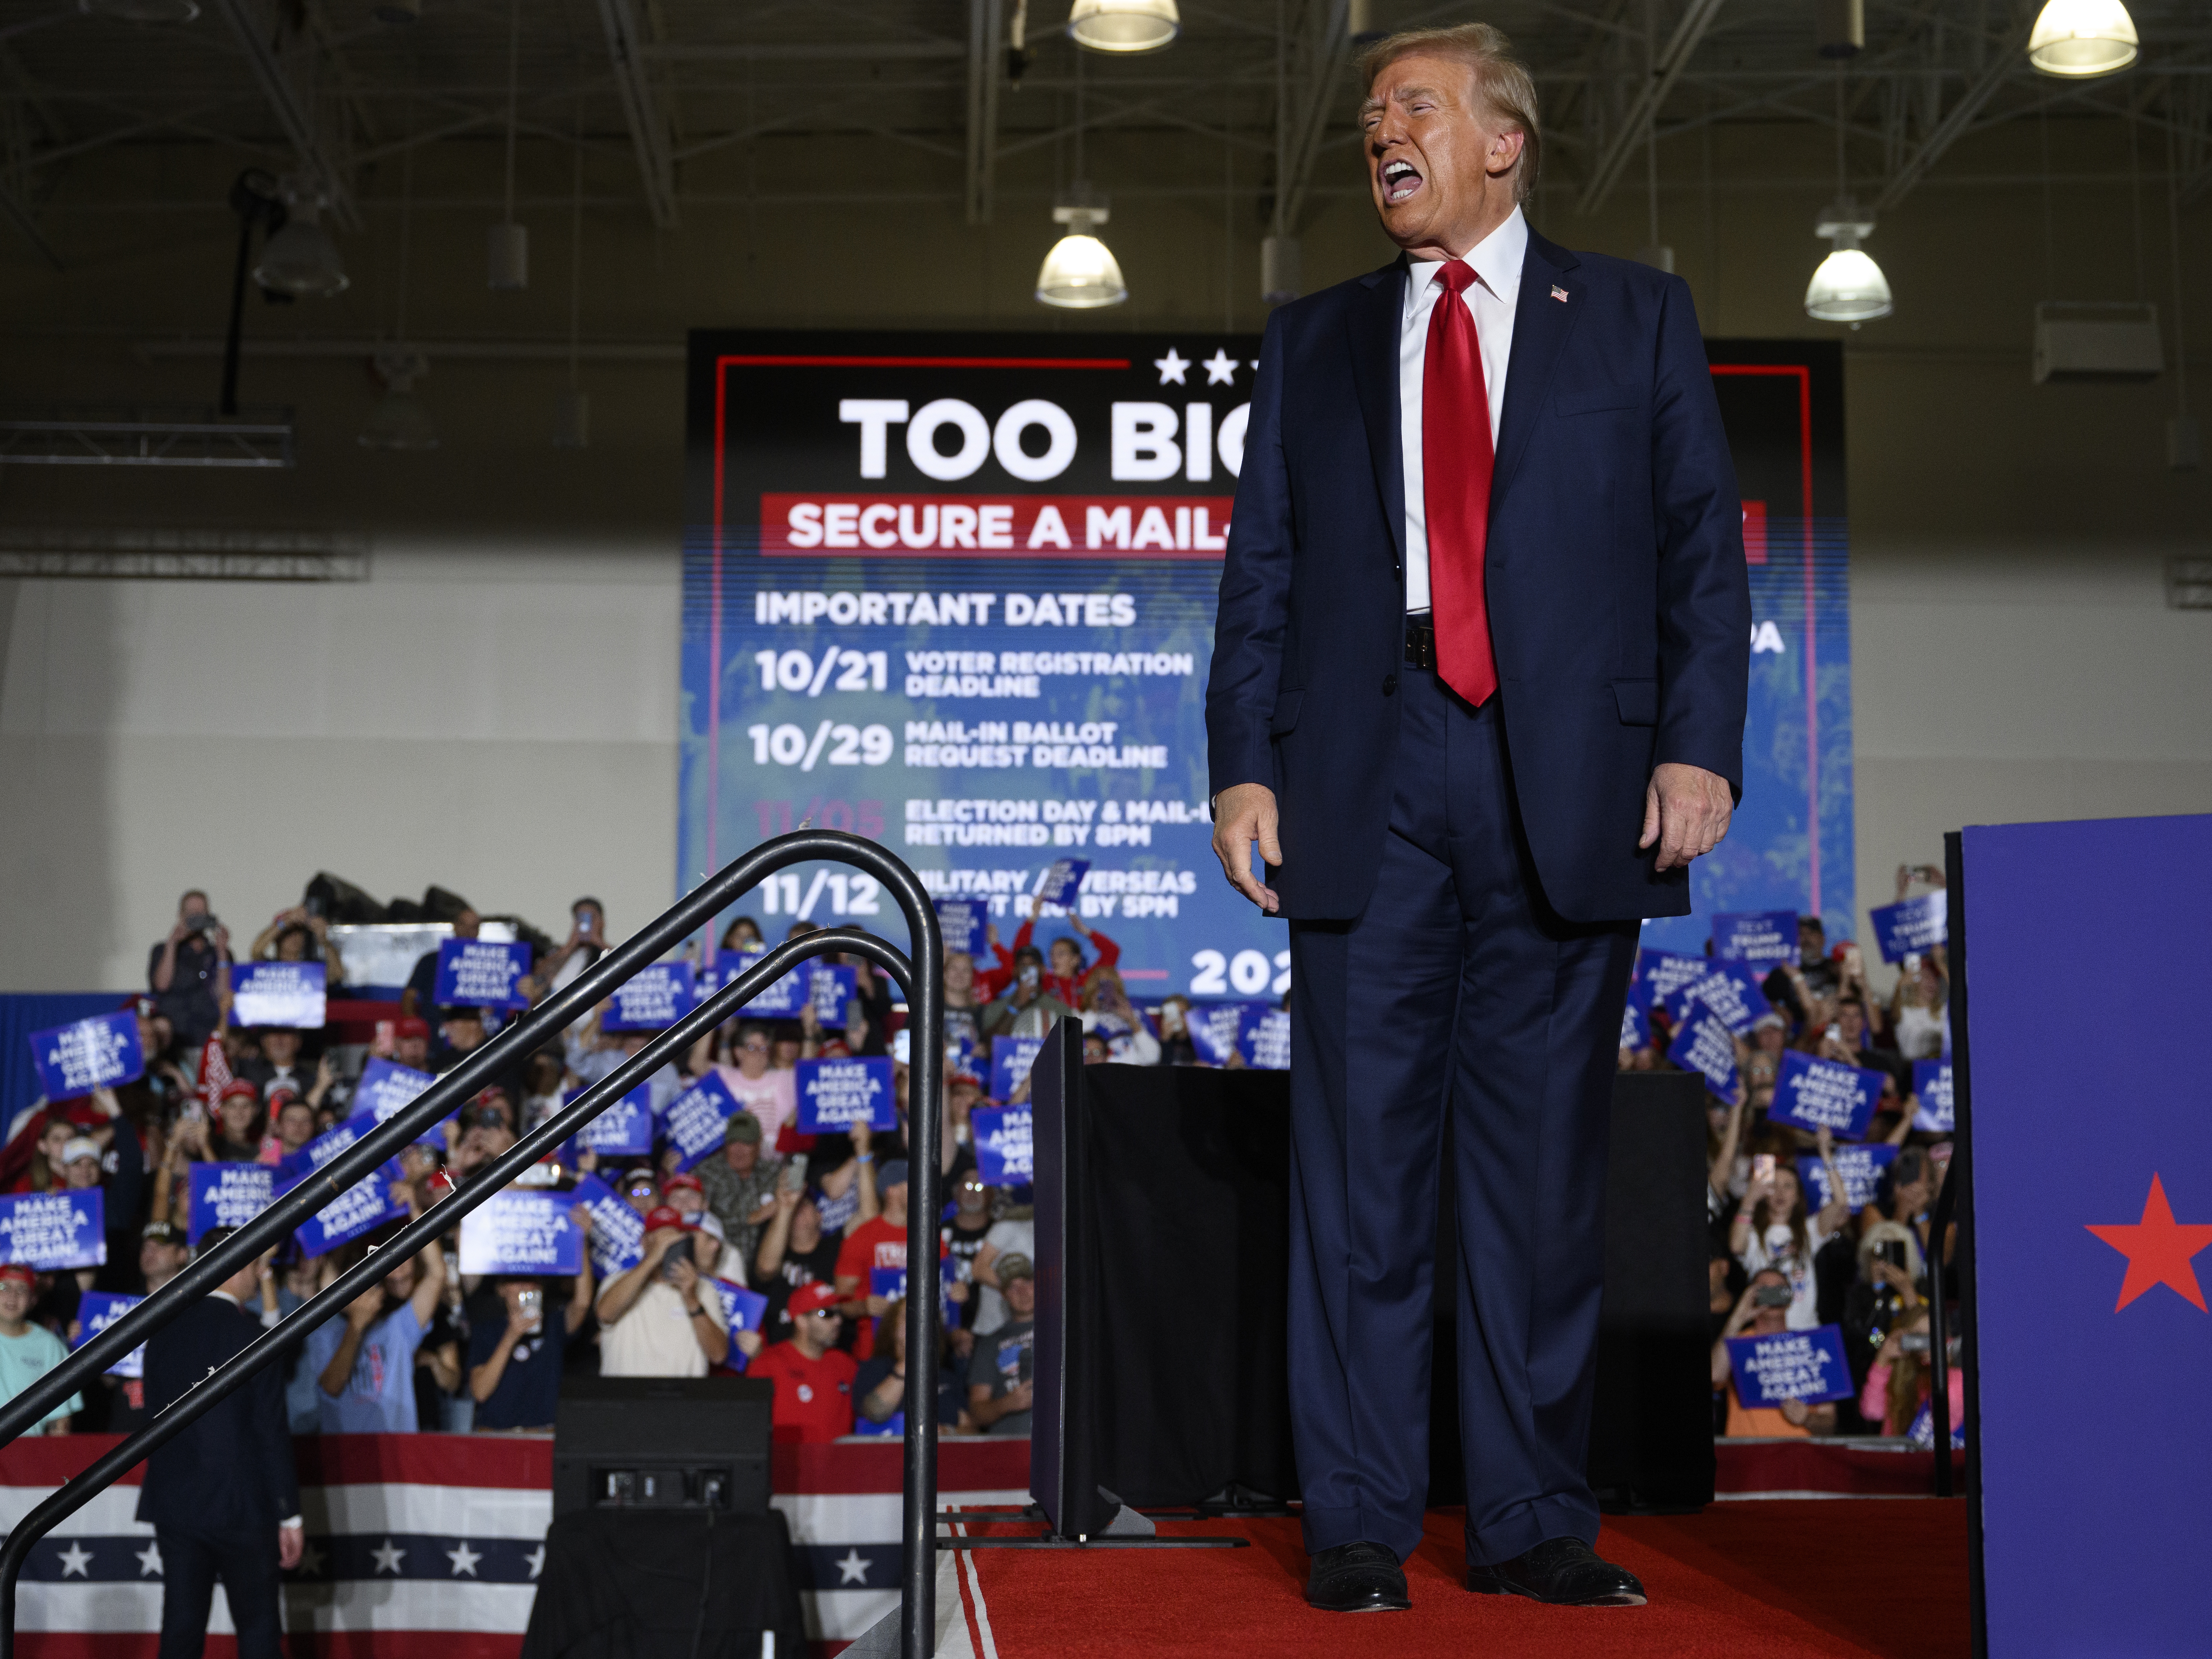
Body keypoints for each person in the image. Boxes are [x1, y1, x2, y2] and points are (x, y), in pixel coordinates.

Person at [1202, 20, 1748, 1616]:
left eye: (1413, 109)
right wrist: (1242, 763)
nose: (1380, 134)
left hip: (1563, 783)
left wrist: (1695, 747)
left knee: (1530, 1187)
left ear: (1500, 141)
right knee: (1360, 1181)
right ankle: (1359, 1520)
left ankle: (1526, 1515)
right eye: (1371, 117)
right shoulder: (1310, 337)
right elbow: (1262, 574)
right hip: (1363, 776)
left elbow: (1693, 558)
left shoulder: (1631, 319)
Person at [138, 1231, 300, 1659]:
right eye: (256, 1265)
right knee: (259, 1628)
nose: (259, 1274)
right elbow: (270, 1430)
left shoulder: (160, 1335)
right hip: (243, 1504)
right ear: (240, 1267)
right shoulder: (253, 1337)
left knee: (181, 1627)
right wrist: (291, 1514)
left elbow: (153, 1421)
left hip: (177, 1502)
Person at [303, 1217, 447, 1431]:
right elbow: (331, 1387)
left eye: (369, 1287)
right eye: (354, 1290)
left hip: (398, 1450)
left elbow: (437, 1273)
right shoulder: (324, 1334)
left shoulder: (399, 1328)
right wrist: (356, 1327)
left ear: (380, 1294)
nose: (363, 1295)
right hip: (347, 1453)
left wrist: (415, 1209)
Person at [468, 1233, 595, 1432]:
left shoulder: (553, 1324)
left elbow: (582, 1302)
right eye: (517, 1280)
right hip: (497, 1437)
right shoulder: (486, 1331)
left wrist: (581, 1242)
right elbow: (481, 1392)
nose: (525, 1286)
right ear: (502, 1290)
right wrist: (511, 1336)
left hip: (542, 1436)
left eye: (532, 1280)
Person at [595, 1207, 738, 1376]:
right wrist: (652, 1259)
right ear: (644, 1242)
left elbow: (718, 1355)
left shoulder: (703, 1289)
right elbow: (605, 1314)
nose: (665, 1246)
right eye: (658, 1239)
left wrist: (691, 1297)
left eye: (672, 1240)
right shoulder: (616, 1281)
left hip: (680, 1401)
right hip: (624, 1399)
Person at [1710, 1267, 1837, 1437]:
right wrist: (1738, 1317)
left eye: (1780, 1289)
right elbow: (1714, 1375)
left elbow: (1830, 1425)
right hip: (1749, 1455)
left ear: (1790, 1297)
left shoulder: (1812, 1346)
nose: (1773, 1295)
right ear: (1751, 1297)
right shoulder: (1736, 1343)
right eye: (1764, 1290)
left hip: (1799, 1454)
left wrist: (1807, 1418)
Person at [747, 1281, 858, 1443]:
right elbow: (752, 1428)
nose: (838, 1321)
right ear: (801, 1321)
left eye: (838, 1313)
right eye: (826, 1314)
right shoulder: (768, 1364)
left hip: (839, 1465)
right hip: (788, 1466)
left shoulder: (846, 1364)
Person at [148, 891, 232, 1051]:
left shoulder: (218, 954)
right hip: (175, 1039)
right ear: (181, 916)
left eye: (201, 914)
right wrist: (173, 943)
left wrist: (222, 952)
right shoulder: (163, 950)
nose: (197, 919)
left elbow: (224, 994)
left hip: (209, 1036)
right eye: (192, 914)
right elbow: (162, 985)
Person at [695, 1111, 780, 1267]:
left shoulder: (773, 1173)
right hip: (718, 1267)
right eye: (733, 1142)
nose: (739, 1150)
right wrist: (752, 1218)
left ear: (759, 1143)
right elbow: (697, 1222)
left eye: (746, 1143)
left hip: (765, 1267)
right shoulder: (707, 1173)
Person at [0, 1264, 79, 1433]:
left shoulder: (50, 1346)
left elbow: (60, 1422)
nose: (12, 1297)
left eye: (22, 1289)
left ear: (33, 1300)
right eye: (3, 1287)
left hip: (28, 1453)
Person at [964, 1253, 1036, 1436]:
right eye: (1013, 1287)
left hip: (1060, 1445)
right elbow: (977, 1413)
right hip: (1010, 1447)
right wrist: (1008, 1404)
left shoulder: (1063, 1331)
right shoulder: (990, 1343)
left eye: (1027, 1283)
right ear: (1003, 1295)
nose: (1022, 1292)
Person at [401, 907, 479, 1019]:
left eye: (473, 927)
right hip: (433, 1031)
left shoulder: (486, 966)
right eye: (463, 925)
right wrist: (415, 1028)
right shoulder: (430, 961)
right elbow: (409, 997)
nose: (468, 932)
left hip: (470, 1033)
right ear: (455, 926)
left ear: (478, 932)